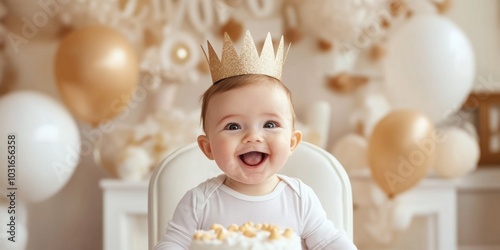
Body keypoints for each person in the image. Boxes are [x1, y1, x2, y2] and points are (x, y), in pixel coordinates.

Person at [154, 31, 357, 250]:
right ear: (208, 147)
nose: (253, 137)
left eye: (269, 124)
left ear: (291, 142)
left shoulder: (299, 199)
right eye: (233, 126)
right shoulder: (199, 203)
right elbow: (172, 245)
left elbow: (329, 242)